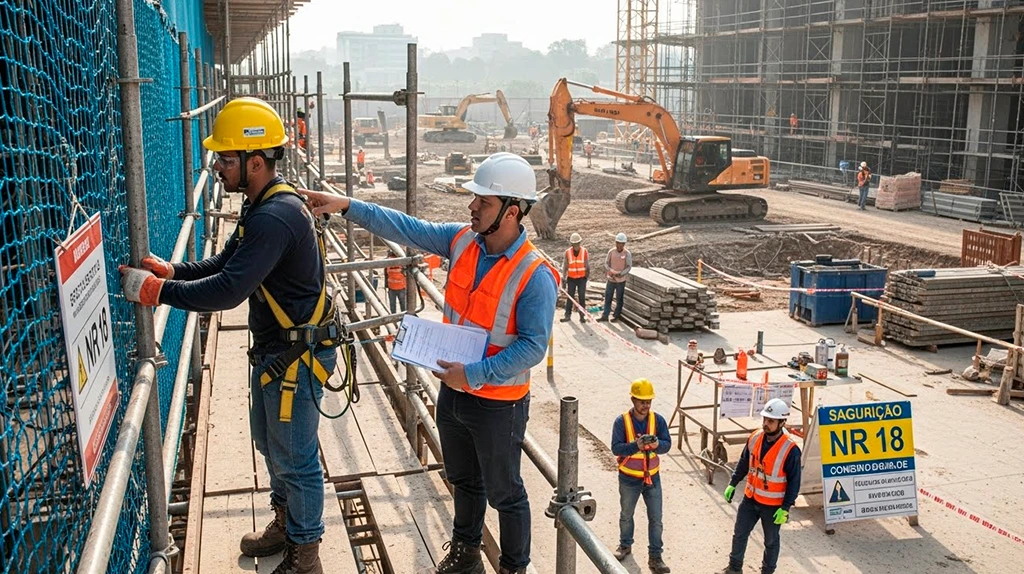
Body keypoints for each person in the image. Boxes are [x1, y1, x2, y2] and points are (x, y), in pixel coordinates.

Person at [300, 152, 559, 574]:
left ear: (512, 212)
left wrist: (473, 374)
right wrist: (347, 205)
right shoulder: (463, 241)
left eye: (484, 202)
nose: (472, 206)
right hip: (453, 391)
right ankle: (466, 555)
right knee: (463, 479)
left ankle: (513, 568)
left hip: (498, 403)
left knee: (505, 493)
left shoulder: (534, 274)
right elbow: (407, 227)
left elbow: (532, 347)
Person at [119, 97, 338, 574]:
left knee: (296, 458)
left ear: (255, 162)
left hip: (296, 358)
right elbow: (226, 263)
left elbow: (228, 290)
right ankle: (288, 523)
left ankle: (306, 555)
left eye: (226, 158)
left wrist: (158, 292)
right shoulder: (263, 205)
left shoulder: (275, 216)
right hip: (280, 353)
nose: (218, 166)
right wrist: (174, 271)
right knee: (272, 445)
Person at [719, 398, 802, 574]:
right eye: (765, 419)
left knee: (771, 542)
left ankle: (767, 571)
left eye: (771, 421)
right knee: (739, 534)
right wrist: (733, 483)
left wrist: (786, 507)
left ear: (782, 422)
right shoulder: (755, 437)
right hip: (750, 498)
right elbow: (744, 462)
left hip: (773, 506)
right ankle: (734, 568)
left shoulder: (790, 449)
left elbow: (794, 482)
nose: (766, 424)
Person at [611, 379, 672, 573]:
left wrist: (657, 445)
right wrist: (635, 446)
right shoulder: (622, 422)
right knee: (626, 515)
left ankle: (656, 557)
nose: (646, 405)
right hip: (629, 478)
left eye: (648, 401)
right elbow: (616, 448)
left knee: (656, 519)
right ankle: (625, 545)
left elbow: (667, 444)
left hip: (652, 478)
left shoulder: (657, 420)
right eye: (642, 401)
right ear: (633, 400)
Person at [598, 232, 632, 322]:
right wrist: (611, 271)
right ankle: (605, 315)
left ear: (624, 244)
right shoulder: (611, 252)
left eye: (621, 243)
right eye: (617, 243)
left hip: (621, 280)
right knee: (608, 297)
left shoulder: (627, 253)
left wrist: (621, 273)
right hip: (611, 279)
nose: (619, 245)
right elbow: (606, 263)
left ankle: (616, 315)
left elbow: (629, 266)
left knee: (619, 298)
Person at [560, 233, 589, 323]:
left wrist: (586, 277)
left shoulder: (584, 251)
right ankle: (567, 315)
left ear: (580, 243)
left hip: (581, 278)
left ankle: (582, 316)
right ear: (572, 244)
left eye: (577, 244)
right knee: (570, 297)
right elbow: (565, 265)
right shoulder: (567, 252)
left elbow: (587, 265)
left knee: (582, 297)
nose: (576, 246)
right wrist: (564, 278)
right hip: (571, 278)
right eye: (574, 244)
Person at [384, 249, 407, 314]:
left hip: (392, 287)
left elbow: (386, 274)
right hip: (401, 287)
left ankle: (394, 318)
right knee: (403, 305)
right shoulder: (403, 261)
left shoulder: (388, 262)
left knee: (393, 306)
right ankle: (404, 317)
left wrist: (386, 285)